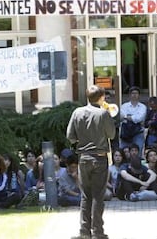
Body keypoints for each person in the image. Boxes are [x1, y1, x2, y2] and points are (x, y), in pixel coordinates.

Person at [66, 85, 116, 239]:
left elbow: (70, 136)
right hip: (99, 157)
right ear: (101, 98)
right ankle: (98, 232)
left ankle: (84, 231)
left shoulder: (77, 112)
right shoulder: (103, 114)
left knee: (85, 196)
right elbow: (112, 134)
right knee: (98, 196)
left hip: (83, 158)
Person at [119, 86, 147, 157]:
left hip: (138, 133)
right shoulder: (124, 106)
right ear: (129, 95)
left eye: (136, 93)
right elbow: (122, 116)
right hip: (125, 132)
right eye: (132, 93)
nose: (134, 95)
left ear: (139, 95)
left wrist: (127, 117)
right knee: (123, 153)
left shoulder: (143, 107)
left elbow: (139, 118)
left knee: (138, 153)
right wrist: (133, 118)